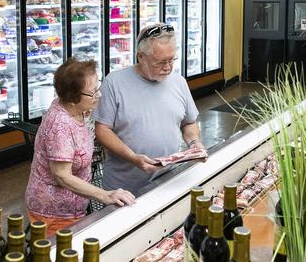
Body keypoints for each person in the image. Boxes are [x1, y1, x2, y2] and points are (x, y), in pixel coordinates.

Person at [25, 58, 135, 235]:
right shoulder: (60, 125)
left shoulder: (77, 109)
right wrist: (105, 195)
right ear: (72, 99)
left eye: (97, 88)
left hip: (74, 208)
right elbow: (62, 175)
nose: (98, 95)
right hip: (55, 212)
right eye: (92, 93)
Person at [94, 23, 203, 196]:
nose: (167, 67)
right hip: (124, 189)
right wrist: (133, 158)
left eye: (171, 60)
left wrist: (194, 143)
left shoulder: (179, 82)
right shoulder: (114, 83)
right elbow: (102, 130)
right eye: (160, 62)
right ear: (140, 57)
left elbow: (189, 122)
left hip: (168, 180)